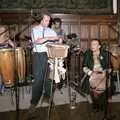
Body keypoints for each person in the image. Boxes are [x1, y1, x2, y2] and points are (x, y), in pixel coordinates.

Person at [26, 9, 60, 118]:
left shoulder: (51, 30)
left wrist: (59, 40)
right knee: (38, 80)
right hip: (38, 55)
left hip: (50, 55)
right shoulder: (35, 30)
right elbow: (37, 41)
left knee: (49, 79)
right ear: (41, 20)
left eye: (49, 21)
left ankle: (47, 97)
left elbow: (58, 40)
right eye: (46, 20)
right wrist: (50, 38)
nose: (48, 23)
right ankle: (33, 103)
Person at [83, 39, 113, 112]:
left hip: (103, 73)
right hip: (92, 73)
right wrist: (90, 73)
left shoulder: (105, 54)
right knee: (92, 86)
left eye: (94, 44)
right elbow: (84, 66)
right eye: (91, 44)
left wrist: (106, 72)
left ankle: (102, 104)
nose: (92, 46)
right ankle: (95, 105)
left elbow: (110, 67)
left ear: (99, 46)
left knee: (104, 86)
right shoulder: (88, 53)